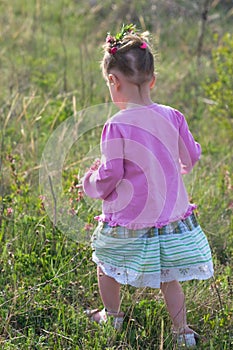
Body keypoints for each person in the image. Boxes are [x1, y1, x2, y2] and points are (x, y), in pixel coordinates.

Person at [82, 24, 214, 347]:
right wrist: (185, 160)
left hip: (129, 219)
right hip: (169, 217)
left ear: (114, 82)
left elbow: (111, 174)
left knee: (106, 265)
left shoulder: (116, 125)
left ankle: (112, 317)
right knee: (170, 277)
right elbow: (191, 154)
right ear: (152, 79)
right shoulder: (173, 116)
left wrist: (90, 182)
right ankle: (181, 332)